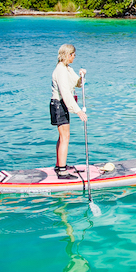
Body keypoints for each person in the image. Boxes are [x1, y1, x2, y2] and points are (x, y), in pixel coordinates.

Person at [50, 44, 87, 179]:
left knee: (63, 136)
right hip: (59, 105)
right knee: (65, 137)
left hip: (62, 104)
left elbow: (77, 84)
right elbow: (65, 93)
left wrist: (82, 76)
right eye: (73, 55)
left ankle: (59, 164)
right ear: (68, 55)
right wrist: (78, 111)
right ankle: (62, 171)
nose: (74, 57)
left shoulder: (67, 68)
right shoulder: (60, 70)